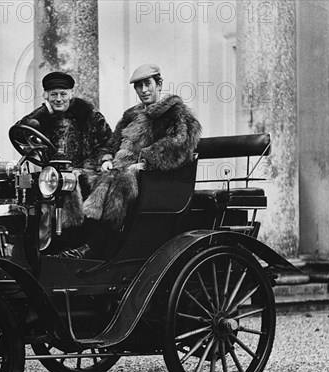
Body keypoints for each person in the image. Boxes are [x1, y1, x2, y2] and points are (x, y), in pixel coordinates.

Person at [59, 64, 202, 258]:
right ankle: (69, 240)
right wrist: (106, 159)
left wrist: (146, 162)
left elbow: (180, 145)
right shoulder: (131, 116)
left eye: (147, 84)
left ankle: (94, 248)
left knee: (121, 181)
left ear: (159, 84)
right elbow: (110, 144)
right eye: (138, 86)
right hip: (120, 170)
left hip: (156, 180)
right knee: (73, 178)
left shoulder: (175, 113)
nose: (143, 90)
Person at [16, 71, 112, 230]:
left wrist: (103, 159)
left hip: (85, 172)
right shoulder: (41, 118)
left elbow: (107, 141)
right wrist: (43, 112)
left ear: (71, 94)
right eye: (53, 94)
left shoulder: (89, 115)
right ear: (45, 95)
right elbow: (20, 132)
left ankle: (72, 236)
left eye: (63, 94)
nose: (59, 99)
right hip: (49, 175)